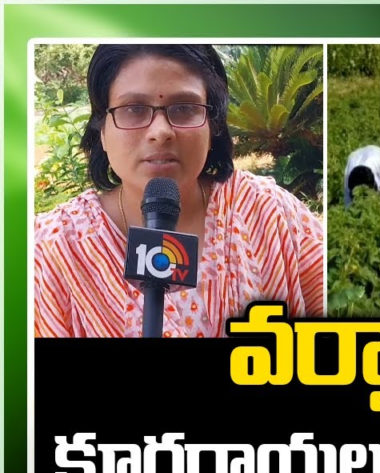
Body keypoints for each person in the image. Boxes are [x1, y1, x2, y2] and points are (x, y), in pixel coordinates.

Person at [34, 44, 324, 337]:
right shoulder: (52, 251)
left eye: (184, 108)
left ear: (213, 127)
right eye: (133, 109)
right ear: (102, 132)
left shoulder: (269, 213)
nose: (160, 132)